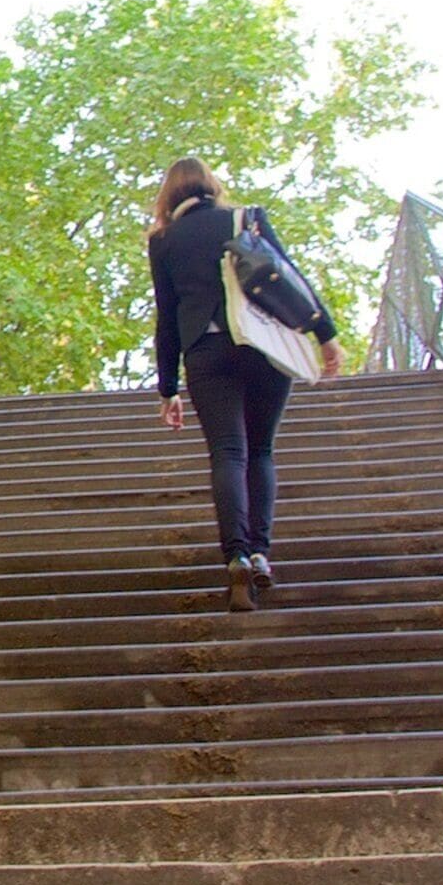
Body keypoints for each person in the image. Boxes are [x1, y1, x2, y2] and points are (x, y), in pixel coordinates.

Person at [147, 156, 341, 612]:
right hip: (263, 345)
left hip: (207, 351)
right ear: (211, 185)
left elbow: (168, 317)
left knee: (228, 453)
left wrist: (168, 387)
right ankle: (259, 552)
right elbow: (290, 277)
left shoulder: (165, 241)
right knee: (261, 451)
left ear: (168, 197)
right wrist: (325, 336)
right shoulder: (246, 219)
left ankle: (234, 556)